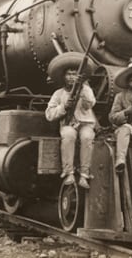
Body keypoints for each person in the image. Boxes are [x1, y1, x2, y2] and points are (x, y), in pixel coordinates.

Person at [45, 52, 97, 189]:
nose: (71, 77)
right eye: (69, 74)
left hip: (86, 124)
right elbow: (49, 114)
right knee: (68, 135)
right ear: (64, 77)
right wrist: (63, 107)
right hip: (68, 125)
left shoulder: (86, 89)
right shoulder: (59, 94)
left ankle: (84, 174)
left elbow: (90, 104)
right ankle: (68, 172)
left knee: (87, 137)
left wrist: (81, 90)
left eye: (74, 74)